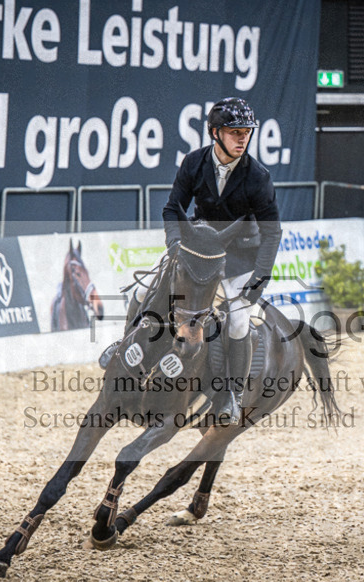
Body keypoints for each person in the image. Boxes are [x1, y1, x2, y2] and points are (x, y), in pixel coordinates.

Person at [100, 97, 282, 424]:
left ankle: (231, 394)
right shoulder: (194, 163)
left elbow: (272, 233)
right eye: (235, 132)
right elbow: (173, 208)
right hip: (197, 247)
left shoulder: (258, 177)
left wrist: (259, 279)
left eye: (247, 132)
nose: (243, 138)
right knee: (143, 292)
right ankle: (123, 349)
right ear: (215, 132)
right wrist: (174, 243)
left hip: (239, 255)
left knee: (239, 320)